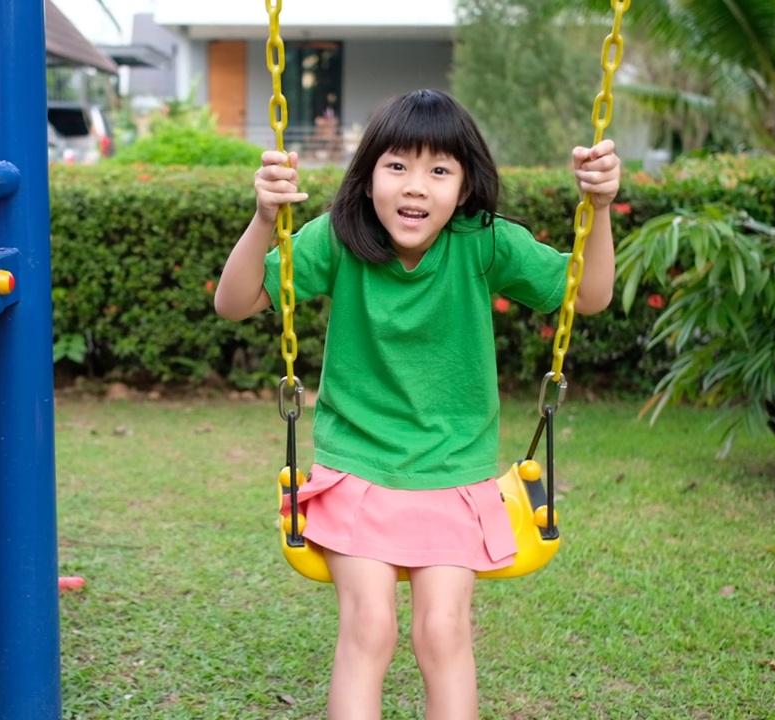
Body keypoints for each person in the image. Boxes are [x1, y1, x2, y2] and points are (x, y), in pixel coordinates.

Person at [214, 89, 621, 720]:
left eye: (439, 170)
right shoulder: (338, 239)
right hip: (357, 469)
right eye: (397, 165)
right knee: (370, 626)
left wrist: (599, 207)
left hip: (453, 472)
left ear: (464, 188)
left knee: (443, 631)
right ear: (368, 175)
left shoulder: (483, 243)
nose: (415, 187)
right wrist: (265, 217)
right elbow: (234, 303)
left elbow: (587, 295)